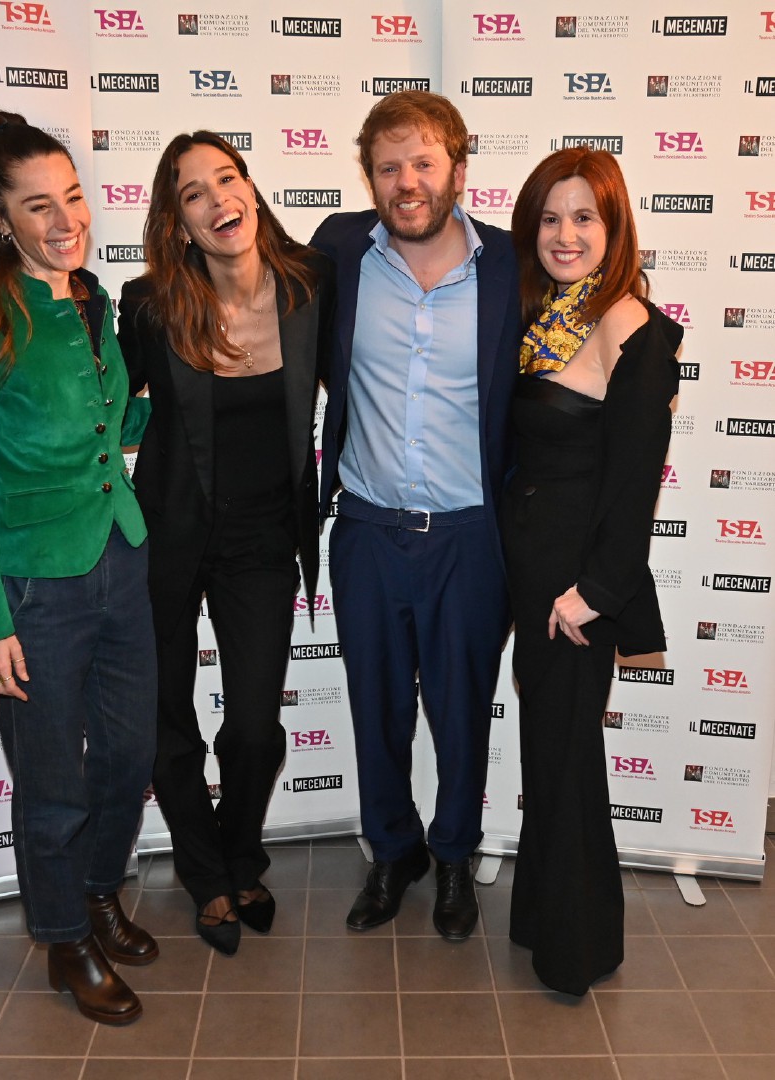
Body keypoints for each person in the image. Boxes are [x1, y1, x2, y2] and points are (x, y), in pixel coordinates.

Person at [0, 111, 158, 1024]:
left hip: (120, 559)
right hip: (33, 591)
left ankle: (102, 889)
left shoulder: (91, 298)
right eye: (39, 205)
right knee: (52, 783)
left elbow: (111, 427)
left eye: (72, 197)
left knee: (130, 753)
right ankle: (65, 937)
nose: (66, 219)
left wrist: (184, 399)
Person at [116, 131, 333, 956]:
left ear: (251, 188)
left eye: (226, 178)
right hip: (168, 534)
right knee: (170, 724)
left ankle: (242, 854)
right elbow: (105, 405)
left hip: (262, 538)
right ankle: (209, 876)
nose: (216, 200)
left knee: (252, 729)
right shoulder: (148, 304)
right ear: (177, 220)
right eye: (192, 193)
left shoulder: (310, 287)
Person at [310, 91, 521, 938]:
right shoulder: (336, 251)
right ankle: (391, 853)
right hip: (366, 530)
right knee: (379, 708)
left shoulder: (513, 263)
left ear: (458, 170)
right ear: (370, 177)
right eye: (389, 166)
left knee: (464, 711)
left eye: (423, 162)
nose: (407, 182)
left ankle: (455, 860)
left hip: (472, 537)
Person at [502, 147, 682, 995]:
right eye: (549, 217)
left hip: (574, 588)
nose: (565, 234)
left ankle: (576, 952)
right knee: (549, 753)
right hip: (527, 574)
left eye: (584, 218)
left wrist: (596, 594)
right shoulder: (545, 321)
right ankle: (544, 921)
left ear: (613, 230)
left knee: (568, 758)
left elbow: (634, 481)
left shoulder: (632, 327)